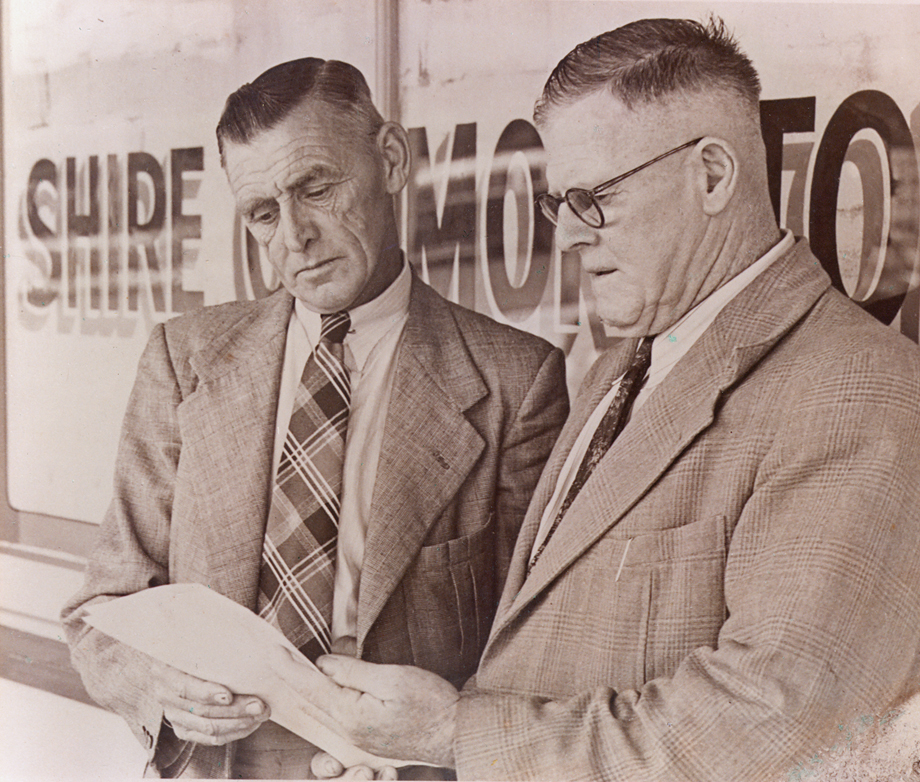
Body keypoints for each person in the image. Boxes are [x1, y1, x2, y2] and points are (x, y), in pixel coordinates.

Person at [287, 19, 920, 781]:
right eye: (559, 204)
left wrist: (456, 736)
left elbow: (778, 731)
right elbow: (550, 663)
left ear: (712, 175)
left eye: (594, 198)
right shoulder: (623, 366)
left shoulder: (859, 394)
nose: (570, 236)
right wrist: (411, 754)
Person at [61, 58, 569, 779]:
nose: (293, 236)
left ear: (391, 159)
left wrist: (432, 745)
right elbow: (101, 607)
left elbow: (537, 645)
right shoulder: (185, 359)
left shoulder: (516, 380)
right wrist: (157, 689)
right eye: (263, 214)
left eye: (317, 188)